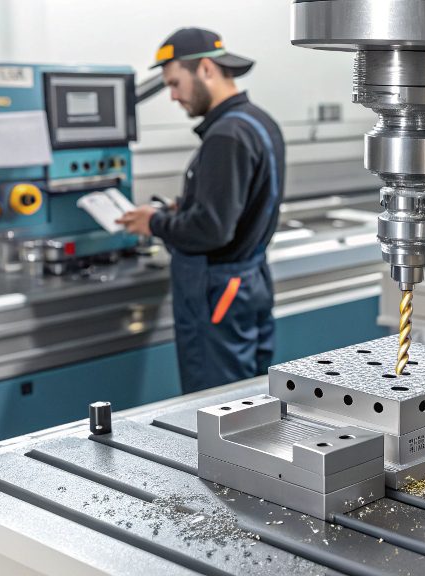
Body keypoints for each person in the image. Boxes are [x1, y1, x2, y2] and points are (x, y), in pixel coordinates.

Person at [118, 27, 284, 394]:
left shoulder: (225, 135)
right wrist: (185, 207)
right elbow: (235, 204)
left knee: (217, 404)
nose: (174, 96)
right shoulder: (258, 122)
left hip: (217, 290)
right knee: (250, 397)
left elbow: (212, 229)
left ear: (206, 69)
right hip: (248, 280)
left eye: (175, 83)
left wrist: (155, 222)